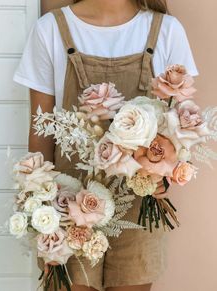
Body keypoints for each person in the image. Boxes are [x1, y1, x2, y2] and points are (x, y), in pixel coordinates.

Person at [13, 1, 198, 290]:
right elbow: (41, 132)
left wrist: (167, 175)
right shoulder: (50, 30)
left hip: (140, 206)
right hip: (68, 206)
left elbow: (182, 126)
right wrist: (38, 208)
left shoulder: (166, 31)